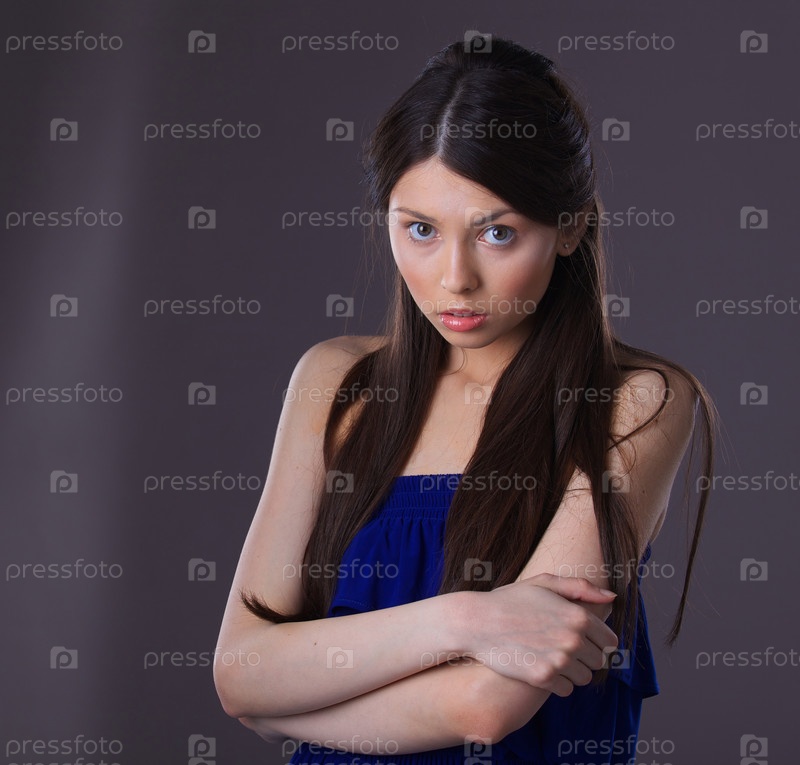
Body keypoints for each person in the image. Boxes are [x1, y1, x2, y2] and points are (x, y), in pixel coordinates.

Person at [213, 35, 716, 764]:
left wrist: (283, 705)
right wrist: (467, 620)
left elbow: (485, 705)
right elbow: (239, 672)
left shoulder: (635, 404)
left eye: (497, 233)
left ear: (570, 226)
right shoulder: (337, 381)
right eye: (420, 229)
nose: (455, 278)